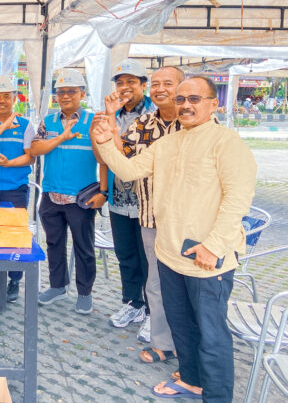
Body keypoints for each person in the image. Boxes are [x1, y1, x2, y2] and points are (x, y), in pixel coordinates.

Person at [92, 76, 256, 401]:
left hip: (206, 258)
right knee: (181, 325)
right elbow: (129, 171)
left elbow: (238, 200)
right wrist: (106, 143)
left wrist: (213, 246)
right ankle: (192, 380)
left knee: (211, 332)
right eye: (181, 99)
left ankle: (217, 395)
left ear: (214, 104)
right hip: (168, 253)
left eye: (194, 99)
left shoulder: (227, 143)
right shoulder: (168, 143)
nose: (185, 105)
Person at [112, 66, 185, 362]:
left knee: (185, 285)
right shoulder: (144, 123)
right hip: (150, 216)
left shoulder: (195, 122)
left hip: (187, 220)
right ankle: (162, 341)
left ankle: (188, 348)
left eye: (168, 83)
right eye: (156, 84)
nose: (160, 89)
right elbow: (124, 155)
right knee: (154, 282)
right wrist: (108, 127)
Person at [30, 69, 107, 314]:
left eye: (71, 91)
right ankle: (57, 286)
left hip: (81, 197)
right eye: (60, 92)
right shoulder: (49, 121)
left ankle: (85, 293)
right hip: (51, 194)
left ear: (82, 94)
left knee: (84, 246)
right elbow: (35, 149)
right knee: (54, 243)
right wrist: (61, 137)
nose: (64, 96)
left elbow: (104, 160)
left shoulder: (93, 121)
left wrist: (103, 192)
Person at [104, 59, 156, 332]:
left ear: (143, 85)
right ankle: (133, 303)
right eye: (120, 82)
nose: (124, 87)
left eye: (131, 82)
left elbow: (130, 152)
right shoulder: (112, 114)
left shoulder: (156, 114)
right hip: (119, 198)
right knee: (125, 255)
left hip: (148, 201)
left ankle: (154, 312)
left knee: (150, 259)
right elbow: (104, 153)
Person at [0, 75, 36, 303]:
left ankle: (14, 280)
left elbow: (30, 157)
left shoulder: (25, 125)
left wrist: (8, 164)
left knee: (13, 236)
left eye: (6, 96)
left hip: (14, 188)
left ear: (14, 98)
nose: (1, 101)